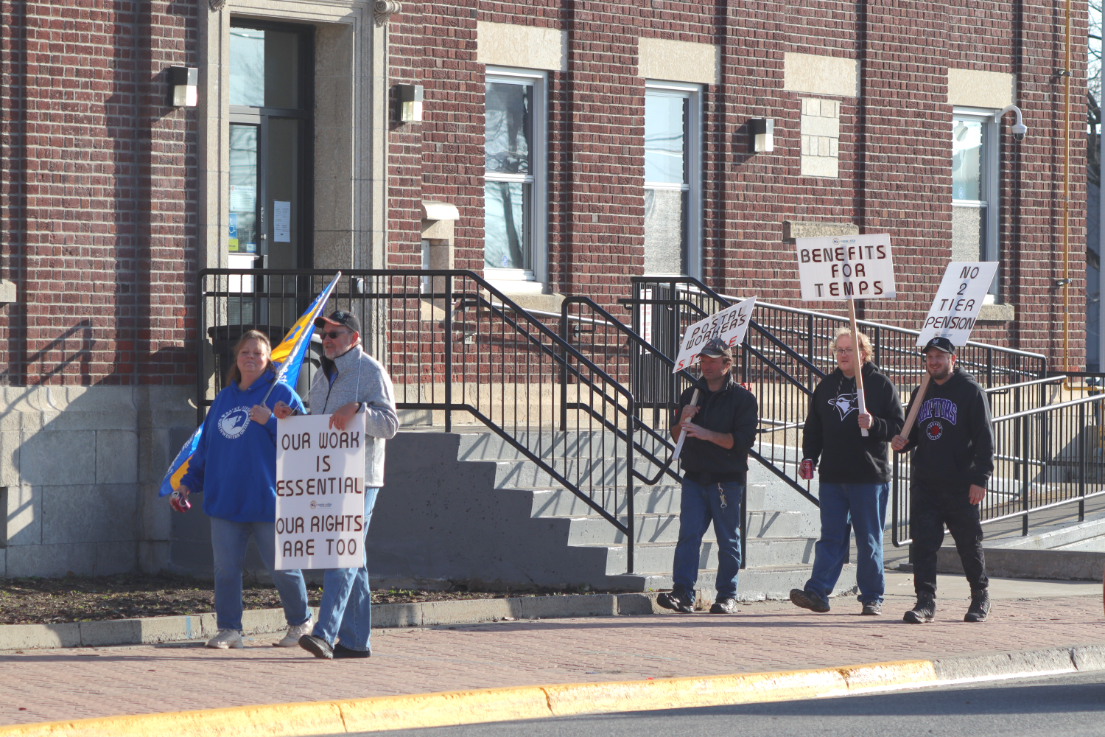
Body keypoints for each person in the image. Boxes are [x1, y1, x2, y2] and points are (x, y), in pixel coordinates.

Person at [176, 330, 311, 650]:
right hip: (225, 499)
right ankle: (229, 629)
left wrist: (271, 421)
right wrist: (189, 482)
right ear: (236, 358)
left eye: (258, 353)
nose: (251, 357)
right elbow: (206, 448)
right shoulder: (223, 399)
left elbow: (305, 442)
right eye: (245, 352)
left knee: (283, 567)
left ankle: (301, 622)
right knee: (225, 570)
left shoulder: (282, 394)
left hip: (269, 500)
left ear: (268, 360)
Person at [275, 310, 398, 659]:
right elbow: (320, 424)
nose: (326, 340)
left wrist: (358, 409)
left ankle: (325, 634)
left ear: (354, 338)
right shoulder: (321, 373)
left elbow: (389, 425)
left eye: (334, 334)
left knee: (341, 552)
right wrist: (294, 418)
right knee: (351, 556)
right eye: (325, 335)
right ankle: (356, 641)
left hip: (360, 478)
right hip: (327, 477)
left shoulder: (371, 371)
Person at [789, 328, 904, 616]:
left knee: (868, 539)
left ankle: (872, 597)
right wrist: (809, 458)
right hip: (832, 477)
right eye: (839, 350)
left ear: (863, 354)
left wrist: (875, 424)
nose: (842, 355)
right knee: (831, 537)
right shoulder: (827, 386)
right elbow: (813, 429)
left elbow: (899, 427)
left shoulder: (880, 385)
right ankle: (817, 592)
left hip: (868, 477)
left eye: (849, 350)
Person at [891, 336, 995, 624]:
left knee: (968, 543)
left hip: (961, 483)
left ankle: (980, 595)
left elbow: (985, 439)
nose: (934, 361)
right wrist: (902, 442)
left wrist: (981, 479)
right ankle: (925, 601)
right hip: (925, 482)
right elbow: (913, 434)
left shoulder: (971, 391)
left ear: (953, 359)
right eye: (930, 357)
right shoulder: (921, 392)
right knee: (923, 544)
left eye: (940, 356)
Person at [657, 337, 758, 615]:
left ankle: (727, 596)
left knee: (728, 541)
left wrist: (706, 434)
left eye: (712, 361)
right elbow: (676, 437)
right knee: (688, 536)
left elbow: (742, 442)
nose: (706, 365)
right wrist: (683, 420)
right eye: (703, 360)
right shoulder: (690, 395)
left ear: (727, 364)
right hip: (694, 477)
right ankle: (683, 593)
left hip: (726, 480)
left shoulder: (743, 399)